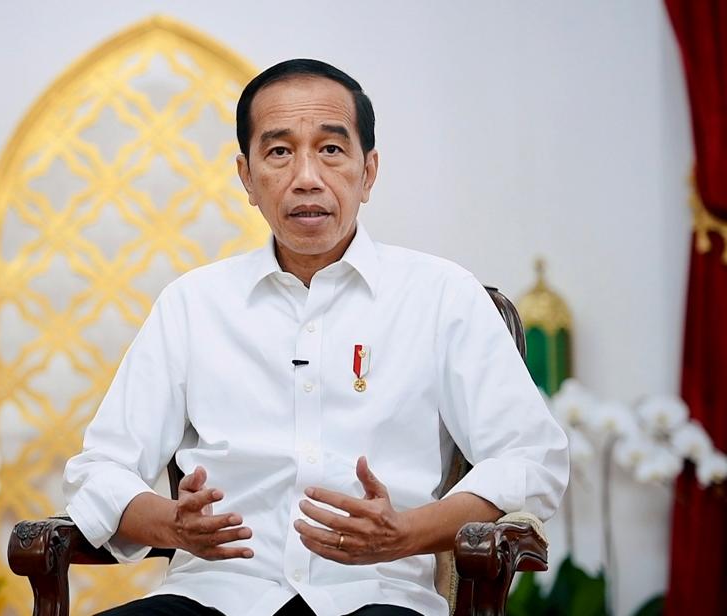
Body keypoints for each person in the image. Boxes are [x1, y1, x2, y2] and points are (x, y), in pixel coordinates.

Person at [63, 59, 569, 616]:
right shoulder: (192, 304)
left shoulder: (443, 296)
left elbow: (530, 457)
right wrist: (171, 525)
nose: (306, 177)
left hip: (378, 596)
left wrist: (408, 532)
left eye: (331, 149)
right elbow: (99, 468)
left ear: (368, 172)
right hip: (213, 594)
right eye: (279, 151)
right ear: (247, 176)